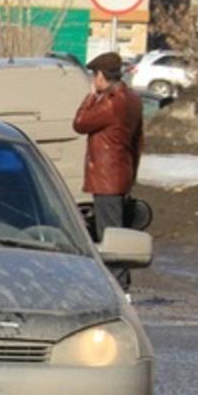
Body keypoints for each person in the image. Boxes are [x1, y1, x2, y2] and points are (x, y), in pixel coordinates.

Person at [73, 50, 144, 284]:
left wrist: (90, 97)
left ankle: (118, 284)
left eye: (95, 75)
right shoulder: (132, 99)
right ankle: (119, 281)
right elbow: (138, 140)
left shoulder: (111, 104)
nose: (94, 80)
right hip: (121, 173)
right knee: (116, 231)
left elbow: (80, 124)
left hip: (107, 176)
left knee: (109, 233)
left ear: (101, 77)